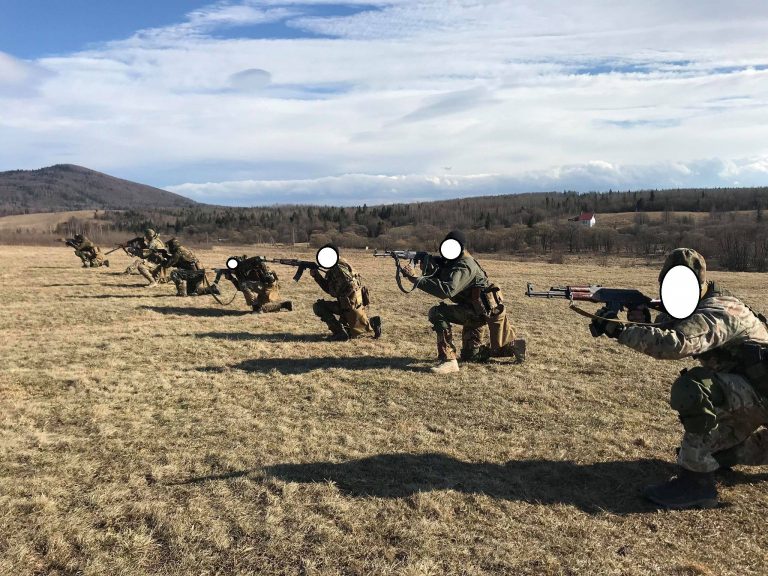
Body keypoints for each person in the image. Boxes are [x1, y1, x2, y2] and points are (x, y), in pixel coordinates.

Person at [591, 248, 768, 509]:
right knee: (716, 454)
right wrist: (647, 321)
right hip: (754, 392)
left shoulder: (720, 310)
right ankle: (715, 460)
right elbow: (673, 327)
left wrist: (619, 330)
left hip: (760, 393)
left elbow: (677, 344)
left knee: (694, 388)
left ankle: (696, 485)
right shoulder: (698, 305)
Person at [400, 230, 526, 374]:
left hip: (478, 313)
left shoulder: (465, 265)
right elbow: (444, 272)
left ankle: (449, 360)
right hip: (475, 311)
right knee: (470, 356)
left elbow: (446, 290)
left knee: (437, 312)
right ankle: (513, 346)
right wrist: (428, 263)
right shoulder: (455, 261)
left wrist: (416, 278)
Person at [310, 248, 382, 341]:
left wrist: (317, 277)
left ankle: (340, 333)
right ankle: (372, 322)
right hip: (355, 302)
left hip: (348, 305)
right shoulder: (343, 263)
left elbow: (334, 291)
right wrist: (317, 276)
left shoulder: (338, 269)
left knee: (318, 307)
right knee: (353, 328)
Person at [224, 256, 292, 313]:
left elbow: (243, 286)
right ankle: (284, 305)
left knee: (244, 285)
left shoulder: (254, 266)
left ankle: (256, 307)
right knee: (261, 308)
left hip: (270, 288)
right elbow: (240, 288)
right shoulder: (241, 272)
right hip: (268, 288)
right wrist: (231, 279)